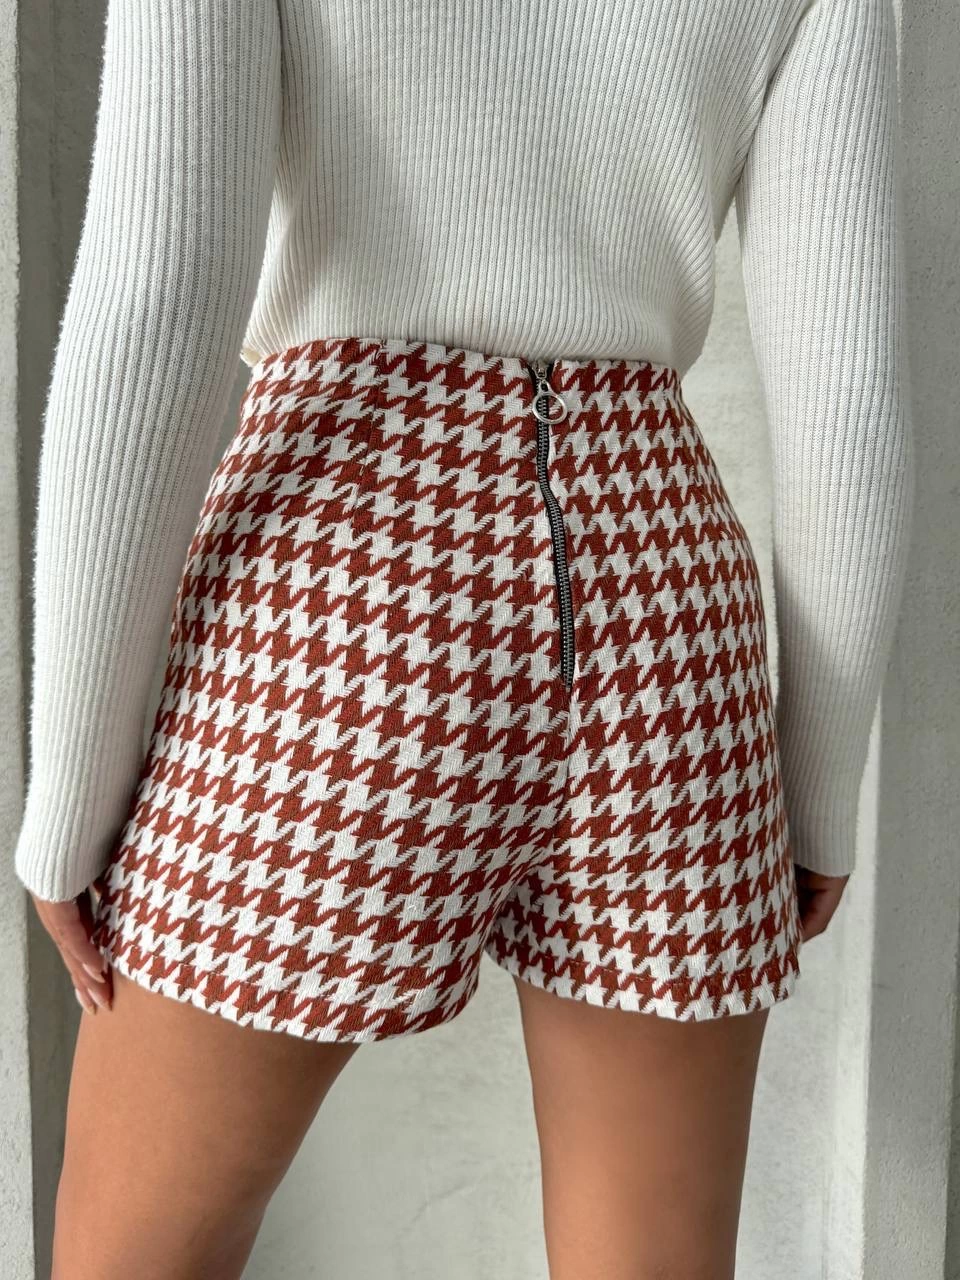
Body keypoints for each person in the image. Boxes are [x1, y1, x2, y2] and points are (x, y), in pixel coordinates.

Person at [15, 1, 914, 1277]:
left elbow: (158, 298)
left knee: (134, 1259)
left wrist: (68, 798)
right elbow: (850, 388)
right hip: (662, 584)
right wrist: (817, 793)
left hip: (338, 577)